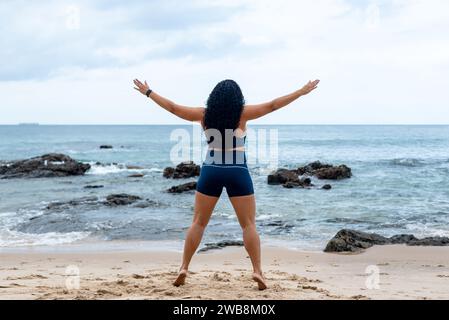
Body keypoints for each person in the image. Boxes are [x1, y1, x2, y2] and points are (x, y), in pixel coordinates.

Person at [133, 78, 319, 290]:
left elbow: (174, 108)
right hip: (237, 170)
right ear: (237, 97)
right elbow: (273, 105)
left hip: (211, 170)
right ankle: (257, 272)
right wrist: (301, 92)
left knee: (198, 223)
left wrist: (149, 92)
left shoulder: (204, 115)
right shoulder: (242, 114)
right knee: (248, 224)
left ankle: (184, 267)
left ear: (214, 97)